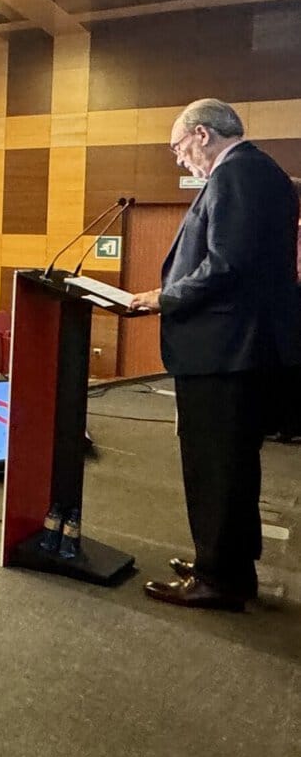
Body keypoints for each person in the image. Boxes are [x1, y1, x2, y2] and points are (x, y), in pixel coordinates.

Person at [127, 99, 301, 610]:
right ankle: (226, 564)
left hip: (226, 350)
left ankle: (218, 578)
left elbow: (226, 266)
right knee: (233, 465)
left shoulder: (236, 175)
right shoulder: (263, 172)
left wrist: (164, 297)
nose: (180, 159)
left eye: (179, 148)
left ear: (202, 135)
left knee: (215, 466)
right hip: (241, 349)